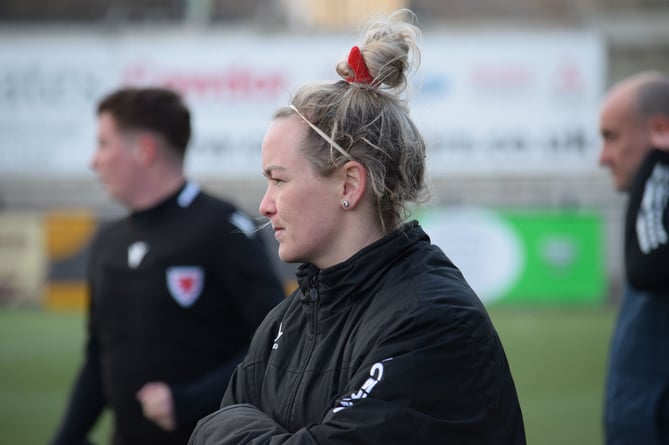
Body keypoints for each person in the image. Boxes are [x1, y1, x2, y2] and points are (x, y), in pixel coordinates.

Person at [189, 9, 526, 444]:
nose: (265, 204)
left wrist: (224, 430)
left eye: (279, 179)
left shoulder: (433, 319)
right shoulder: (285, 321)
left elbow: (217, 427)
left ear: (348, 184)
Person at [49, 87, 285, 445]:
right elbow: (100, 356)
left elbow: (276, 343)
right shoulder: (108, 243)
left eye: (103, 144)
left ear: (144, 150)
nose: (93, 161)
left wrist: (190, 400)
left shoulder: (223, 228)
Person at [599, 71, 669, 444]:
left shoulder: (658, 186)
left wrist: (657, 163)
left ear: (660, 130)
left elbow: (647, 268)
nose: (603, 157)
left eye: (612, 137)